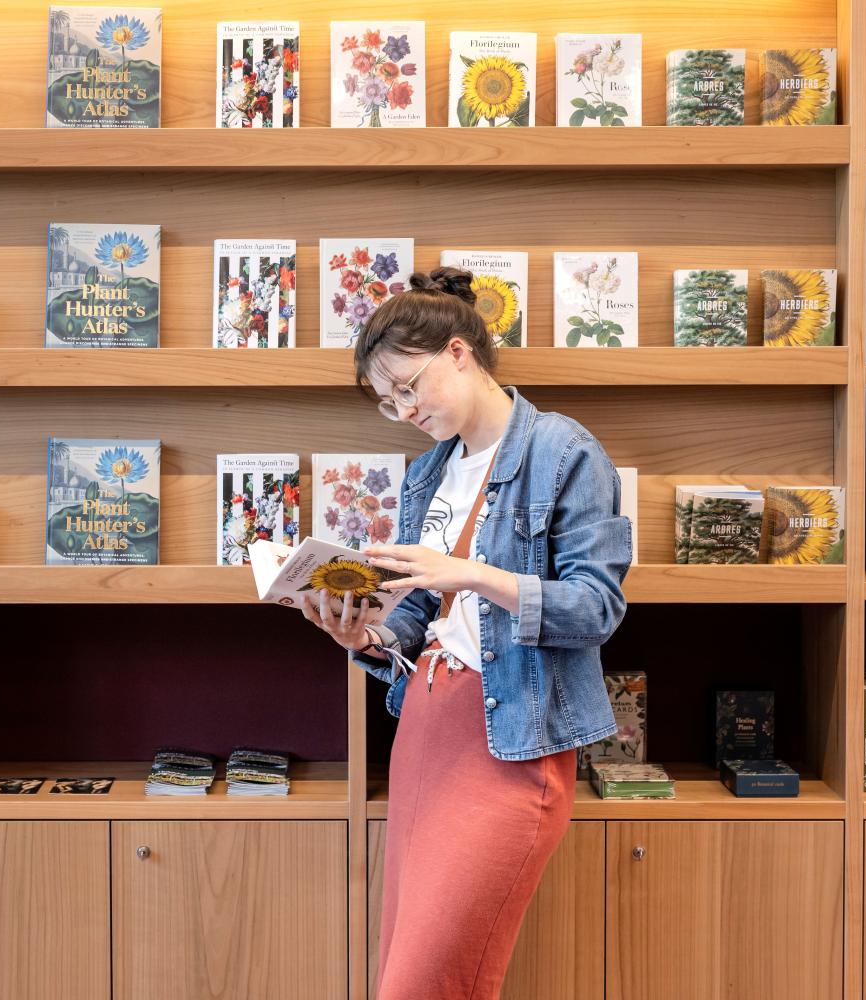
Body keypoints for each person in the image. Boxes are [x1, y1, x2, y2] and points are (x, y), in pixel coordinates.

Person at [298, 266, 631, 1000]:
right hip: (425, 725)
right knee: (407, 964)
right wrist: (368, 638)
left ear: (457, 352)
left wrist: (471, 573)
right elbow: (423, 611)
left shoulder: (563, 451)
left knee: (430, 980)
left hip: (511, 737)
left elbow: (595, 607)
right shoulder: (429, 473)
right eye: (388, 402)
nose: (404, 409)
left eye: (407, 386)